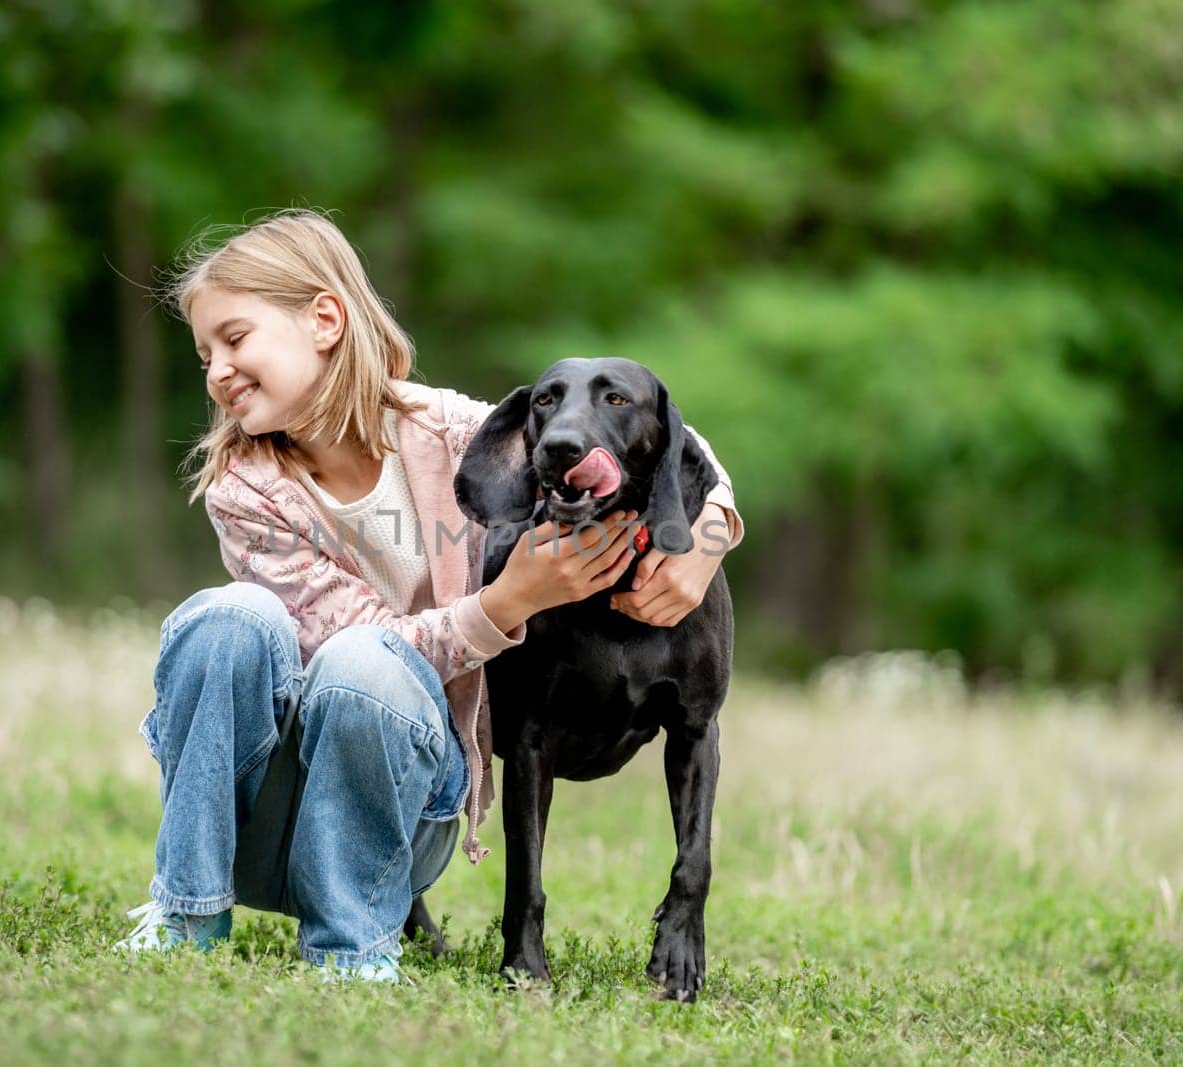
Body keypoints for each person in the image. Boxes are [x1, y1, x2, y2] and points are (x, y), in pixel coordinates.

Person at [112, 209, 745, 982]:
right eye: (203, 351)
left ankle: (351, 942)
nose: (215, 369)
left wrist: (709, 535)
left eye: (234, 339)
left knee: (364, 668)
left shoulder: (442, 430)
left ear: (324, 320)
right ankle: (188, 908)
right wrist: (508, 601)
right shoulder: (244, 494)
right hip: (262, 818)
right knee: (231, 618)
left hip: (398, 815)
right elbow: (381, 644)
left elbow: (662, 433)